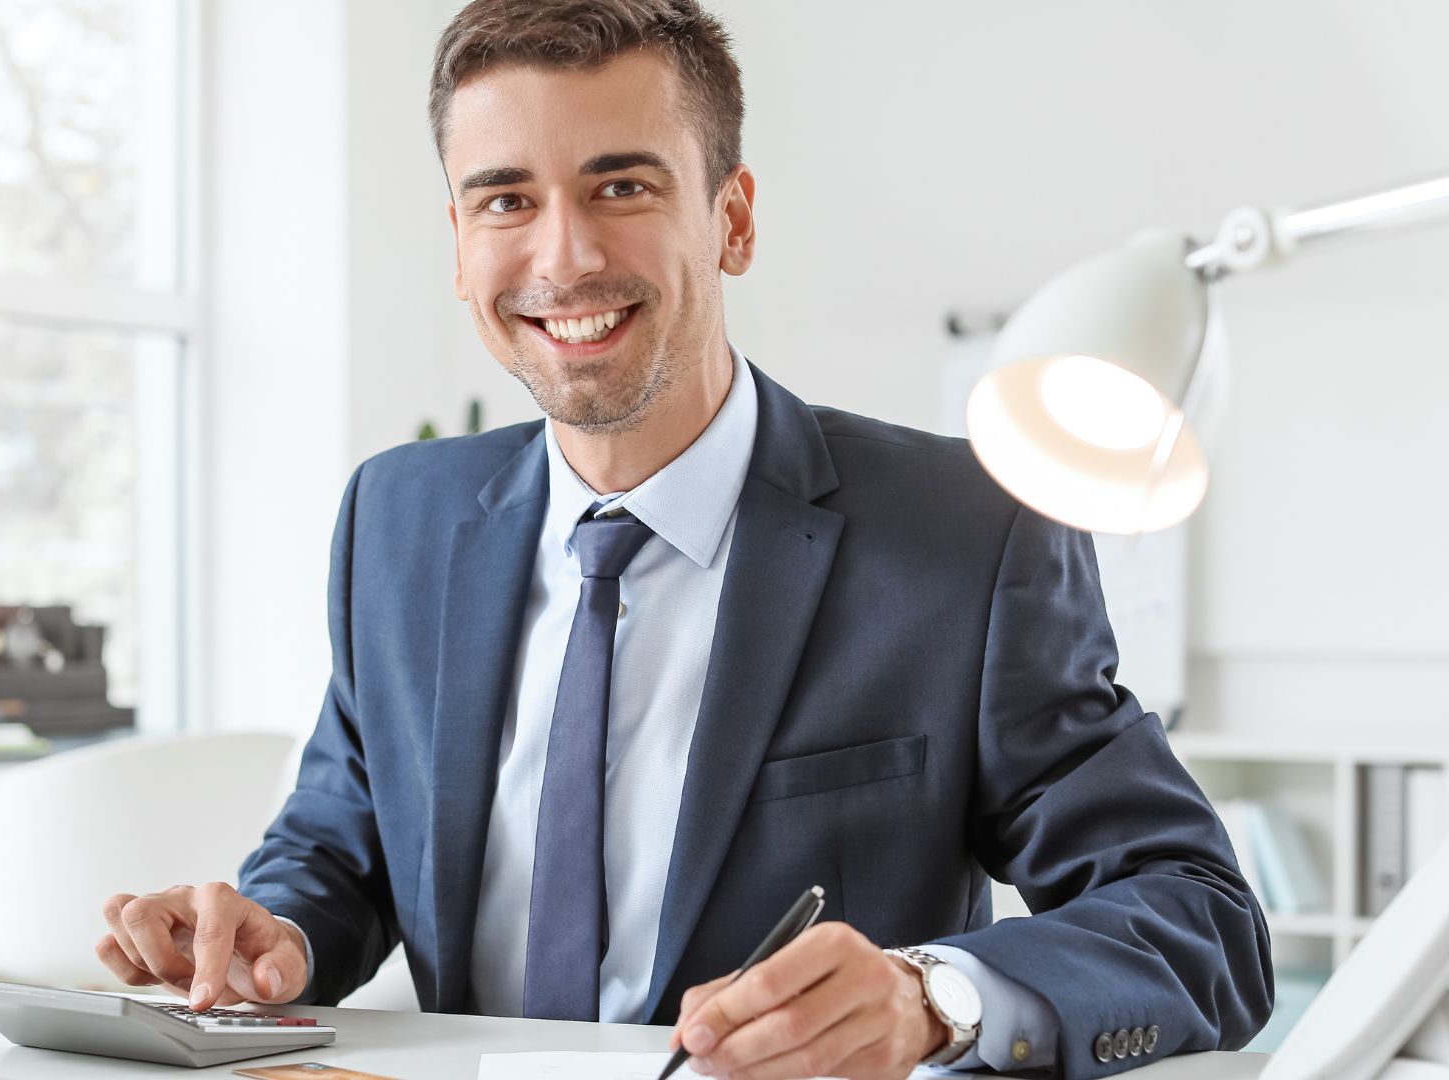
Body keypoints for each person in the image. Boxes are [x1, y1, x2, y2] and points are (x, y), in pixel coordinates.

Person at [94, 2, 1273, 1076]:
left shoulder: (970, 531)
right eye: (507, 198)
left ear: (733, 218)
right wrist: (275, 934)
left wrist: (933, 998)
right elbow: (347, 842)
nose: (562, 258)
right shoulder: (398, 517)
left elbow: (1196, 911)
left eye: (621, 187)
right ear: (458, 243)